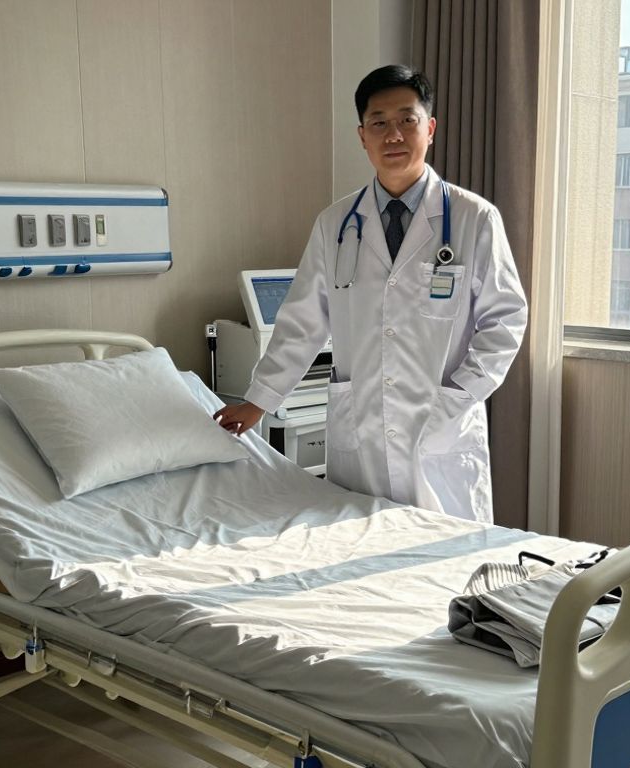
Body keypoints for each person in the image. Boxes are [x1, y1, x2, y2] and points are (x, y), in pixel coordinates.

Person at [214, 65, 527, 523]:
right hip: (360, 435)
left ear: (430, 128)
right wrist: (259, 400)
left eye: (407, 119)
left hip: (440, 428)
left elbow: (506, 320)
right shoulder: (335, 225)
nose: (393, 134)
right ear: (363, 136)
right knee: (359, 551)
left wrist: (458, 395)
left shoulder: (474, 218)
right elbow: (303, 322)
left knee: (448, 564)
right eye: (379, 122)